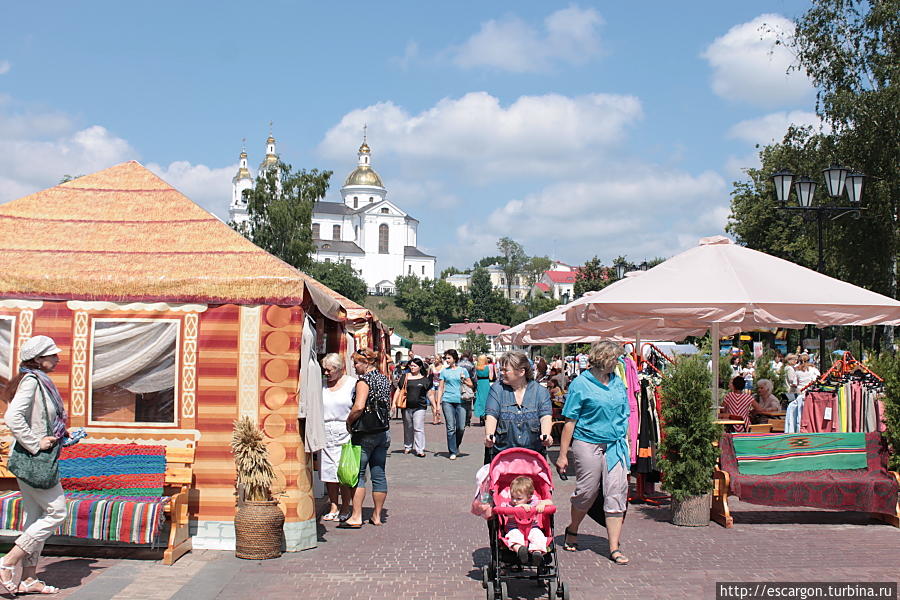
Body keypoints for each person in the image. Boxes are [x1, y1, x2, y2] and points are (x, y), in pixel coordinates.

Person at [1, 336, 70, 595]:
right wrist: (36, 442)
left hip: (33, 459)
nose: (57, 358)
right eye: (52, 355)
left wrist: (61, 436)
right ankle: (7, 563)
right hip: (35, 460)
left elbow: (41, 420)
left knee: (35, 517)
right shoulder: (32, 381)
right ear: (38, 359)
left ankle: (29, 578)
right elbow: (12, 416)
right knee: (56, 512)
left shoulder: (38, 381)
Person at [555, 340, 631, 566]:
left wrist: (626, 442)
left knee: (617, 491)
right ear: (604, 359)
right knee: (587, 491)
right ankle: (573, 528)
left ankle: (614, 547)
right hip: (587, 441)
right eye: (615, 358)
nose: (618, 362)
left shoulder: (617, 382)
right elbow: (570, 420)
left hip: (615, 444)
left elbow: (624, 412)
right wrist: (561, 455)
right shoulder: (581, 383)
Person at [340, 349, 391, 528]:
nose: (354, 367)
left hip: (365, 432)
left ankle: (356, 515)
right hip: (383, 432)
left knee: (358, 474)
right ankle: (377, 515)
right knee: (379, 474)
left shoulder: (364, 381)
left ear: (366, 363)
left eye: (356, 363)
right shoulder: (384, 379)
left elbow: (359, 406)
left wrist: (349, 421)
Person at [483, 351, 552, 458]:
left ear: (521, 372)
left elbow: (545, 416)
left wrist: (546, 435)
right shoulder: (497, 389)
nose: (502, 373)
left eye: (506, 370)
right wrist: (489, 435)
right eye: (501, 370)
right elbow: (491, 415)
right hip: (502, 455)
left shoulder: (540, 392)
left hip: (533, 456)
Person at [318, 353, 355, 522]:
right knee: (328, 472)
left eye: (329, 370)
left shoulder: (351, 384)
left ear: (339, 369)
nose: (326, 373)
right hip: (325, 429)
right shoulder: (322, 386)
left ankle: (346, 506)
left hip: (345, 429)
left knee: (343, 471)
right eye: (324, 370)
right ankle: (334, 505)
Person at [502, 476, 553, 565]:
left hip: (532, 527)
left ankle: (537, 553)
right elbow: (508, 514)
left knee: (538, 536)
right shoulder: (510, 505)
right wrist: (518, 508)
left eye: (518, 499)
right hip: (514, 528)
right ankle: (521, 551)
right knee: (514, 537)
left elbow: (550, 502)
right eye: (512, 497)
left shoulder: (533, 502)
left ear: (529, 497)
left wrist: (543, 504)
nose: (514, 500)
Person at [437, 349, 473, 460]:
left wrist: (464, 380)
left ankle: (456, 445)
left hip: (461, 401)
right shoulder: (444, 372)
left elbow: (471, 384)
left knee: (461, 427)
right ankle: (452, 450)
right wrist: (438, 404)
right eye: (446, 358)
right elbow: (440, 388)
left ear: (455, 358)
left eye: (449, 358)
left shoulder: (462, 370)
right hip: (447, 400)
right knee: (450, 427)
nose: (447, 360)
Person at [393, 357, 430, 457]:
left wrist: (435, 406)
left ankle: (420, 449)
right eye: (411, 365)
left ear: (420, 367)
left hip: (420, 406)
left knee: (418, 427)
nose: (412, 367)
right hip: (406, 406)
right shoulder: (404, 377)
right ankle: (408, 446)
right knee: (408, 427)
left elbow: (429, 393)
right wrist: (393, 403)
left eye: (414, 366)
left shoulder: (424, 379)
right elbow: (398, 390)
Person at [458, 352, 477, 427]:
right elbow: (474, 377)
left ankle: (461, 419)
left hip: (459, 385)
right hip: (469, 385)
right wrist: (474, 387)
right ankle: (467, 420)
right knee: (469, 404)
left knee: (460, 403)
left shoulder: (458, 364)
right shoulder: (471, 365)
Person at [473, 355, 491, 426]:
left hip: (479, 383)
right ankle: (485, 416)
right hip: (486, 383)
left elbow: (475, 377)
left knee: (480, 399)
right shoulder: (487, 367)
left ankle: (481, 417)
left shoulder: (477, 367)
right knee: (486, 400)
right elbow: (491, 376)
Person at [429, 355, 444, 425]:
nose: (435, 360)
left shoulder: (444, 367)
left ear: (440, 360)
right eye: (434, 359)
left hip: (440, 385)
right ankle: (434, 417)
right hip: (432, 384)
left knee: (438, 401)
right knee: (433, 402)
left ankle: (439, 417)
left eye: (437, 359)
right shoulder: (431, 366)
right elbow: (428, 375)